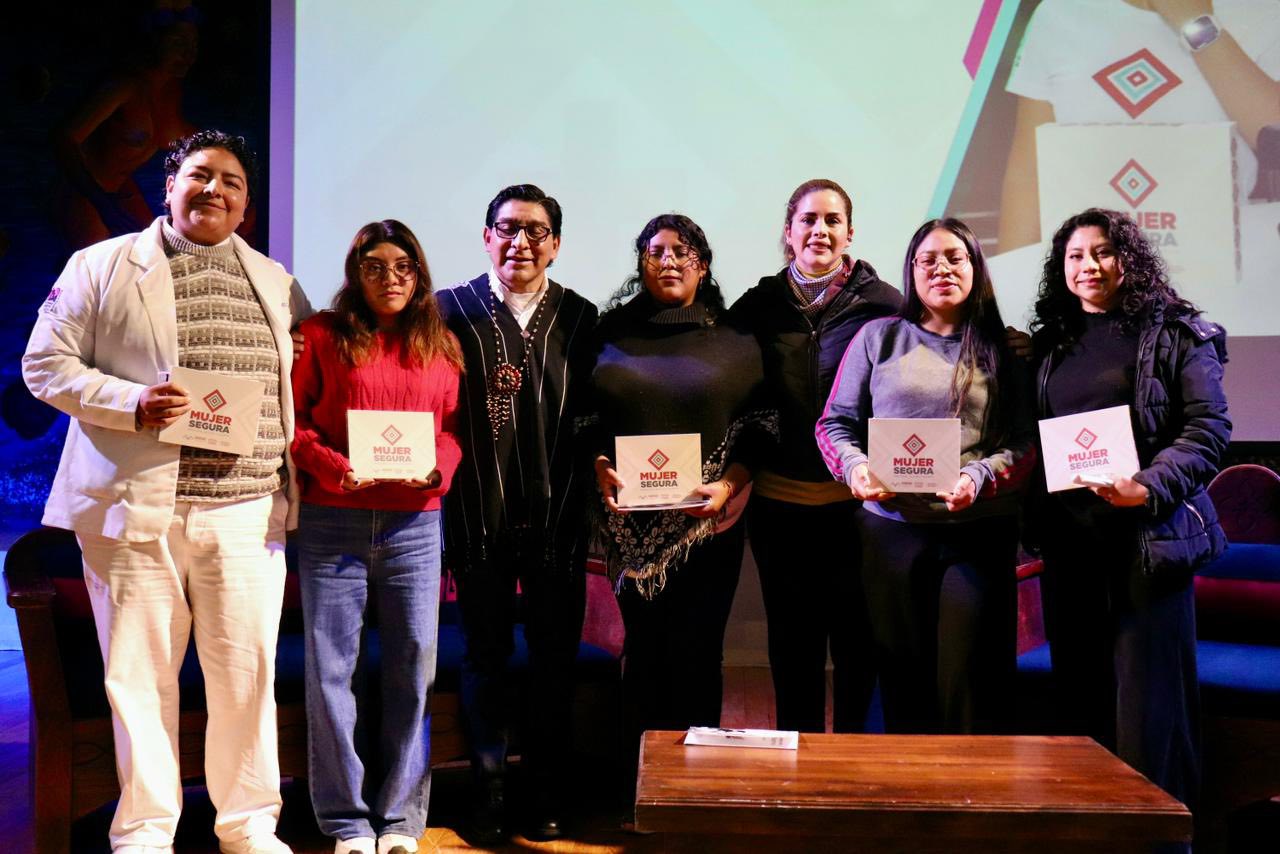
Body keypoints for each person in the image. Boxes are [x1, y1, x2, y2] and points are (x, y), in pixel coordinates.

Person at [22, 130, 311, 854]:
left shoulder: (276, 282)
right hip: (133, 507)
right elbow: (43, 365)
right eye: (199, 175)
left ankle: (248, 827)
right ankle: (147, 831)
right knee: (140, 679)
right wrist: (131, 402)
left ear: (246, 204)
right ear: (170, 186)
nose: (214, 190)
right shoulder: (100, 264)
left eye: (231, 182)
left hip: (246, 511)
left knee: (246, 675)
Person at [1028, 207, 1230, 817]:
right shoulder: (1050, 342)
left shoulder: (1178, 331)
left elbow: (1209, 429)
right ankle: (1087, 830)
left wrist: (1146, 486)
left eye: (1103, 253)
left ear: (1130, 260)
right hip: (1071, 551)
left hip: (1149, 547)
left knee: (1150, 716)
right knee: (1079, 708)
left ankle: (1161, 833)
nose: (1088, 266)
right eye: (1075, 257)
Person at [815, 218, 1036, 735]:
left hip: (977, 532)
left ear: (976, 268)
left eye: (955, 258)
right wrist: (856, 468)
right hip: (891, 531)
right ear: (911, 271)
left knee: (966, 680)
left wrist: (980, 476)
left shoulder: (1006, 347)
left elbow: (1025, 441)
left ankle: (965, 805)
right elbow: (834, 423)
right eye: (927, 259)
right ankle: (907, 800)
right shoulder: (879, 337)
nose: (942, 269)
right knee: (901, 676)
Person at [291, 220, 462, 854]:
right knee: (331, 671)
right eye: (374, 266)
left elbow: (449, 430)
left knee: (413, 669)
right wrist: (338, 468)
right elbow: (297, 425)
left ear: (418, 276)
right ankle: (344, 819)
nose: (389, 278)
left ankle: (400, 820)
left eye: (402, 267)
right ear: (354, 272)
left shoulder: (440, 343)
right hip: (333, 520)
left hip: (415, 524)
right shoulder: (321, 337)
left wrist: (439, 468)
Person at [591, 213, 773, 809]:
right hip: (628, 528)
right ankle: (634, 792)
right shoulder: (607, 331)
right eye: (655, 251)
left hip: (707, 527)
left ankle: (693, 794)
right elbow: (581, 420)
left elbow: (762, 426)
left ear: (704, 263)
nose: (668, 261)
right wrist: (596, 466)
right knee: (641, 656)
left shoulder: (738, 338)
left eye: (683, 251)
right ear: (640, 261)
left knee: (698, 657)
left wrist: (732, 484)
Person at [436, 184, 598, 843]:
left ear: (555, 244)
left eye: (535, 231)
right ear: (486, 237)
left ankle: (546, 790)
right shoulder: (448, 311)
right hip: (477, 517)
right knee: (485, 657)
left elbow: (596, 416)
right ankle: (490, 794)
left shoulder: (583, 317)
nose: (520, 241)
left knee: (555, 658)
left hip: (559, 519)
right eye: (506, 228)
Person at [731, 179, 901, 734]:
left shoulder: (887, 306)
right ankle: (797, 771)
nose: (819, 230)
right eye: (807, 220)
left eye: (832, 220)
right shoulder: (757, 305)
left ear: (850, 233)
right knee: (793, 646)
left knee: (859, 646)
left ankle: (854, 768)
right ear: (789, 231)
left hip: (861, 507)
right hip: (781, 508)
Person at [998, 0, 1280, 252]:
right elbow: (1029, 173)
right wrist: (1001, 296)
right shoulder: (1060, 13)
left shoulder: (1261, 12)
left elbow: (1273, 135)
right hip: (1091, 279)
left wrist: (1196, 24)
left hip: (1219, 271)